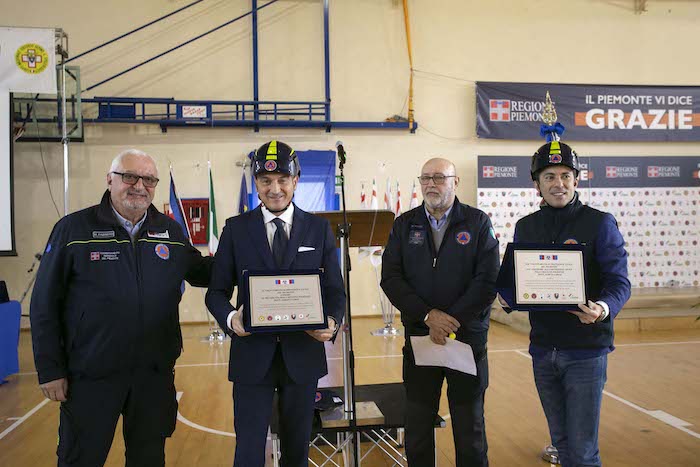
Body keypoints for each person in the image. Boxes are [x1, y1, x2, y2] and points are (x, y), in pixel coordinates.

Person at [30, 149, 213, 467]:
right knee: (80, 459)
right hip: (91, 375)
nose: (139, 186)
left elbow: (201, 272)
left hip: (153, 375)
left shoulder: (169, 231)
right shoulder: (73, 230)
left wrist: (246, 256)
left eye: (149, 180)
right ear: (110, 180)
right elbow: (44, 303)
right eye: (130, 177)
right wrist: (50, 369)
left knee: (148, 459)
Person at [205, 140, 346, 467]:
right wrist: (231, 319)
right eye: (266, 180)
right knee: (249, 451)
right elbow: (216, 292)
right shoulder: (236, 229)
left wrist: (332, 321)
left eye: (283, 179)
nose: (275, 189)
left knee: (297, 452)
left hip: (303, 355)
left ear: (295, 180)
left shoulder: (319, 229)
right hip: (252, 356)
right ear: (256, 183)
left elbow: (335, 291)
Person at [510, 140, 631, 467]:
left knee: (583, 451)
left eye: (565, 175)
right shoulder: (526, 227)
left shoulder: (600, 223)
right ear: (537, 184)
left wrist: (602, 308)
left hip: (585, 351)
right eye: (549, 177)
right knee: (561, 446)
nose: (558, 184)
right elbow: (518, 281)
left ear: (576, 180)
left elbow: (619, 282)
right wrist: (508, 294)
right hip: (542, 349)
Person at [381, 157, 500, 467]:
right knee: (418, 424)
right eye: (425, 178)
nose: (431, 184)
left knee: (469, 427)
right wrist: (427, 316)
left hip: (466, 339)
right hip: (421, 338)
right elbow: (391, 278)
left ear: (455, 182)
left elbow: (488, 281)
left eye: (439, 177)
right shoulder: (404, 224)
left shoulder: (477, 222)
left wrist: (449, 322)